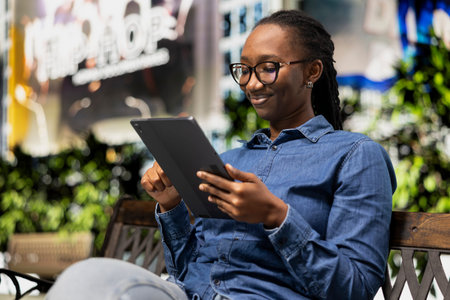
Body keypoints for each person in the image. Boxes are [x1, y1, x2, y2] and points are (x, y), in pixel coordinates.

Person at [46, 10, 396, 300]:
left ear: (312, 71)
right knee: (86, 278)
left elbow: (357, 289)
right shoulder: (230, 159)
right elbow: (187, 271)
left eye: (268, 67)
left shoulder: (356, 156)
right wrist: (172, 207)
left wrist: (276, 216)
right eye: (244, 69)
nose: (253, 83)